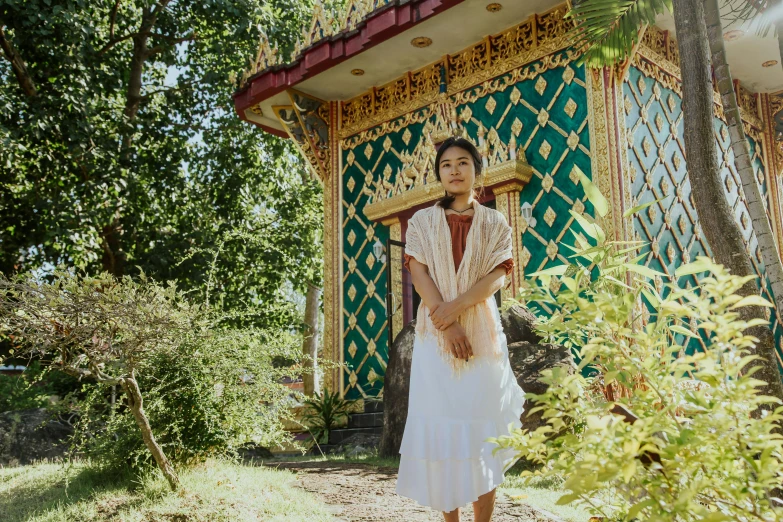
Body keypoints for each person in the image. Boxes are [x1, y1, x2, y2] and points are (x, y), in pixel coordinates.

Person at [394, 135, 527, 522]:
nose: (454, 170)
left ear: (476, 171)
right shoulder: (421, 221)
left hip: (482, 336)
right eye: (447, 164)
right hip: (435, 340)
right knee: (443, 434)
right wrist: (445, 322)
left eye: (463, 162)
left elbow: (498, 275)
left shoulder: (495, 221)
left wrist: (455, 310)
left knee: (484, 431)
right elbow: (418, 271)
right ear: (439, 173)